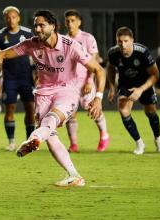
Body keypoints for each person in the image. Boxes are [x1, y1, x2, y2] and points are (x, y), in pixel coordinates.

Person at [0, 10, 105, 187]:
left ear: (53, 26)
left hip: (67, 92)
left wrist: (97, 98)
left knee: (50, 121)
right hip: (43, 93)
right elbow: (2, 54)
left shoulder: (71, 45)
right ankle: (74, 175)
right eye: (35, 25)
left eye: (41, 25)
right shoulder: (32, 44)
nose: (37, 29)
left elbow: (99, 70)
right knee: (50, 136)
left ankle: (32, 139)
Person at [107, 26, 160, 155]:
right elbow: (110, 68)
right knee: (123, 110)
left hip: (144, 83)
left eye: (126, 41)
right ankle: (139, 143)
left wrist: (140, 89)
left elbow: (155, 75)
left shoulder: (143, 51)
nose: (123, 45)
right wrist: (112, 88)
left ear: (132, 40)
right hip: (126, 84)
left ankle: (158, 139)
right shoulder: (113, 53)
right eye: (120, 41)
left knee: (150, 112)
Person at [63, 9, 110, 153]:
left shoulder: (88, 38)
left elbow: (94, 61)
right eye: (68, 21)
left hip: (84, 80)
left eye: (73, 20)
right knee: (70, 112)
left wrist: (90, 81)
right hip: (70, 83)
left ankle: (104, 135)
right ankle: (73, 144)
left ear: (79, 22)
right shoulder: (63, 39)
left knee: (92, 110)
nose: (70, 23)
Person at [0, 6, 35, 151]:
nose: (11, 20)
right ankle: (11, 142)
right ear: (5, 19)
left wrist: (38, 73)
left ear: (19, 18)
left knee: (30, 108)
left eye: (14, 17)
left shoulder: (28, 33)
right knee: (10, 108)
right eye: (8, 17)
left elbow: (36, 53)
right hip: (9, 78)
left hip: (26, 77)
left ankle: (29, 141)